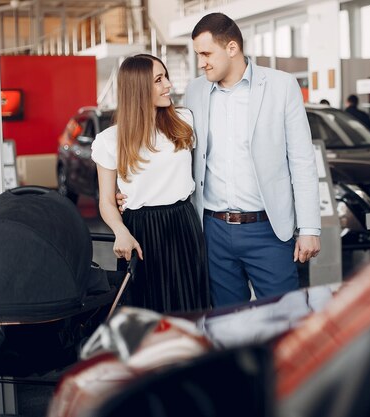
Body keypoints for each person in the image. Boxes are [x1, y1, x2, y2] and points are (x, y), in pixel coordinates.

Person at [120, 13, 321, 308]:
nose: (201, 62)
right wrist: (133, 191)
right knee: (227, 323)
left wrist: (310, 228)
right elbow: (168, 149)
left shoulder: (281, 86)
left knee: (285, 319)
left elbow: (302, 161)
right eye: (198, 54)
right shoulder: (195, 91)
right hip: (211, 231)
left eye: (206, 53)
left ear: (231, 48)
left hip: (268, 229)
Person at [93, 54, 209, 314]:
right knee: (145, 317)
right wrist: (120, 231)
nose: (168, 84)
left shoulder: (184, 121)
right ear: (138, 88)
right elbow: (107, 201)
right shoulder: (109, 141)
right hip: (140, 233)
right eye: (158, 80)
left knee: (189, 309)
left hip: (183, 224)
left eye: (165, 77)